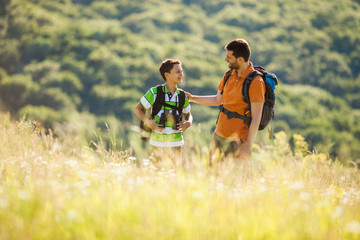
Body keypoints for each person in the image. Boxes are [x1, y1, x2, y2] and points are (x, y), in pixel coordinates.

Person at [186, 39, 265, 164]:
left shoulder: (256, 82)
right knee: (211, 175)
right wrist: (192, 98)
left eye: (229, 57)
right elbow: (218, 100)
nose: (226, 59)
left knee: (232, 180)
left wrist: (248, 145)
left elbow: (256, 116)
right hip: (218, 135)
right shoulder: (229, 74)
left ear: (240, 59)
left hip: (238, 140)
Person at [134, 59, 192, 167]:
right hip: (157, 142)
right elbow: (138, 109)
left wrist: (188, 123)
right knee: (157, 173)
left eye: (182, 71)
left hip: (176, 142)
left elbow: (188, 114)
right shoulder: (154, 92)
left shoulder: (183, 95)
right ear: (167, 75)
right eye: (178, 72)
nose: (181, 74)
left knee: (174, 173)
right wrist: (148, 122)